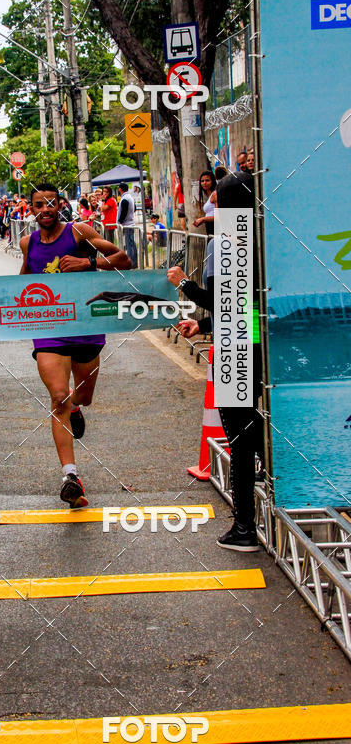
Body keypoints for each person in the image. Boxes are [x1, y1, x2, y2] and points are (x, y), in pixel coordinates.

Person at [20, 182, 131, 508]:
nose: (45, 210)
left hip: (86, 325)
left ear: (60, 205)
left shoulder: (80, 232)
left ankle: (77, 407)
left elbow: (124, 259)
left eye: (50, 203)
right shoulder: (29, 243)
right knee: (58, 398)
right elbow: (22, 281)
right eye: (38, 205)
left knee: (81, 396)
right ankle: (70, 476)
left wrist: (89, 264)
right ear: (32, 209)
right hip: (49, 329)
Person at [168, 172, 262, 552]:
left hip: (237, 350)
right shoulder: (259, 237)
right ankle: (260, 475)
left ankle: (244, 527)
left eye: (218, 202)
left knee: (238, 432)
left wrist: (185, 285)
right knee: (248, 426)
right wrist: (202, 325)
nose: (213, 209)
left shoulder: (234, 242)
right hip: (246, 339)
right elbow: (244, 308)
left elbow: (232, 304)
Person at [117, 182, 138, 269]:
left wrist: (121, 221)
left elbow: (124, 211)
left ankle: (131, 262)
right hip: (130, 223)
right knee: (131, 243)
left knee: (129, 244)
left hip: (127, 224)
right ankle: (134, 261)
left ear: (120, 189)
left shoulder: (125, 198)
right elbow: (135, 208)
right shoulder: (129, 197)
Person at [193, 169, 217, 234]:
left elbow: (218, 217)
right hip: (210, 228)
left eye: (207, 180)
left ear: (212, 181)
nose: (204, 183)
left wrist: (203, 219)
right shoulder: (210, 195)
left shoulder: (215, 194)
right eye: (202, 181)